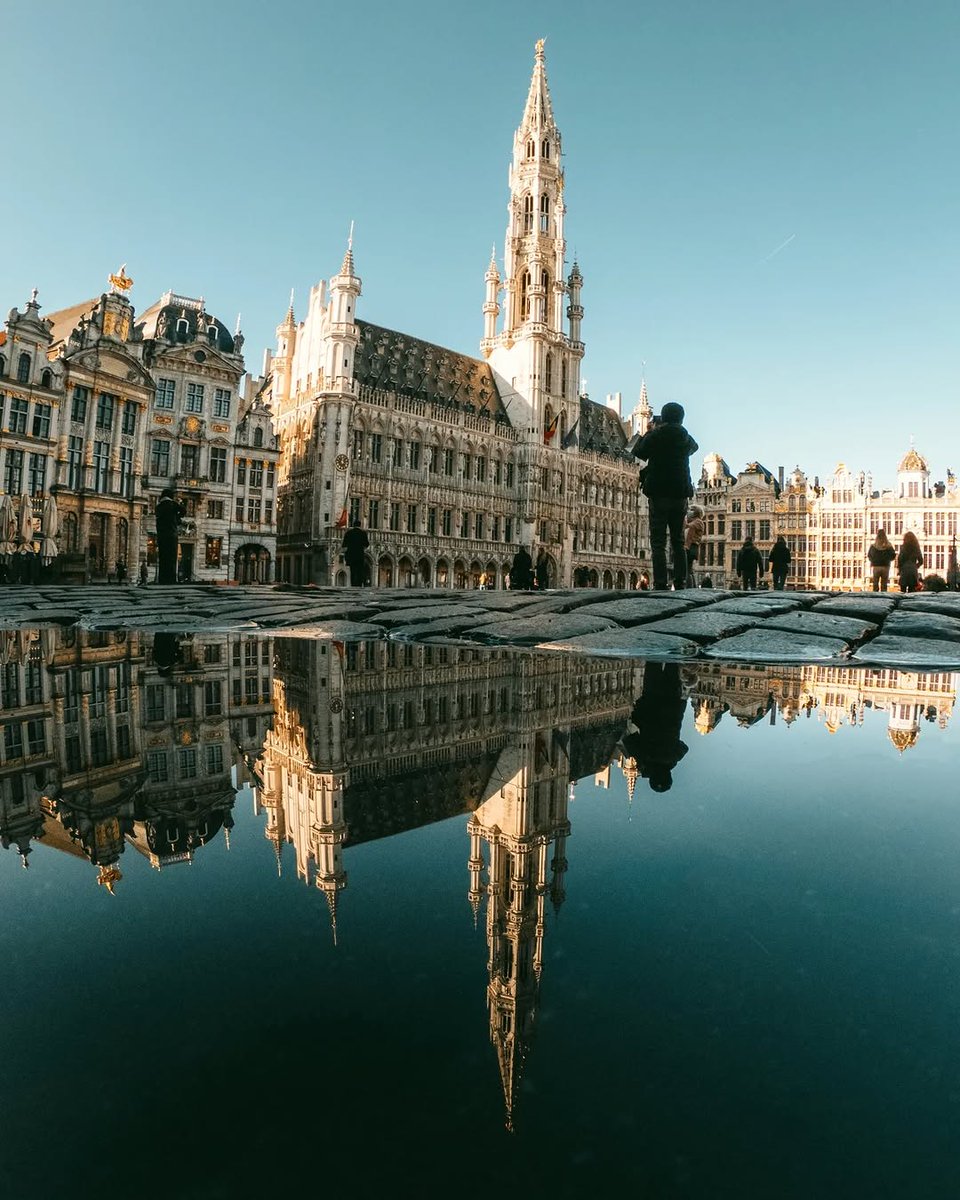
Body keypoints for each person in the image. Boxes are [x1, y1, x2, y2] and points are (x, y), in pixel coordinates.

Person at [631, 403, 699, 590]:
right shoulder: (685, 436)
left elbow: (637, 451)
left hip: (659, 491)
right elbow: (695, 448)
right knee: (677, 540)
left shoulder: (656, 435)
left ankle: (660, 582)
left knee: (658, 541)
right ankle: (680, 581)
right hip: (679, 493)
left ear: (664, 416)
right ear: (681, 418)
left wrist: (649, 431)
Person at [620, 663, 688, 793]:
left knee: (672, 667)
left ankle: (672, 645)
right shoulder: (645, 757)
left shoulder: (674, 757)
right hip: (651, 704)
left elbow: (684, 747)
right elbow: (628, 740)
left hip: (672, 705)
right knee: (653, 665)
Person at [155, 488, 185, 585]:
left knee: (163, 557)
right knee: (171, 557)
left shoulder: (158, 506)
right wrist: (177, 516)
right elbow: (184, 511)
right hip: (171, 534)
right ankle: (171, 579)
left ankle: (162, 579)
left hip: (161, 535)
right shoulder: (172, 504)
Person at [341, 518, 369, 586]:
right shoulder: (363, 533)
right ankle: (359, 584)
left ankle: (353, 584)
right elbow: (367, 544)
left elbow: (344, 545)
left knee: (352, 570)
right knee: (360, 570)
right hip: (360, 554)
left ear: (353, 525)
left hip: (351, 554)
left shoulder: (349, 533)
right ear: (360, 525)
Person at [683, 504, 704, 589]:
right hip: (691, 547)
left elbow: (687, 526)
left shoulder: (698, 521)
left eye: (692, 510)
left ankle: (689, 587)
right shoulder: (695, 521)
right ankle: (693, 587)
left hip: (691, 547)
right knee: (689, 569)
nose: (690, 511)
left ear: (696, 512)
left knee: (688, 570)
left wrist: (684, 517)